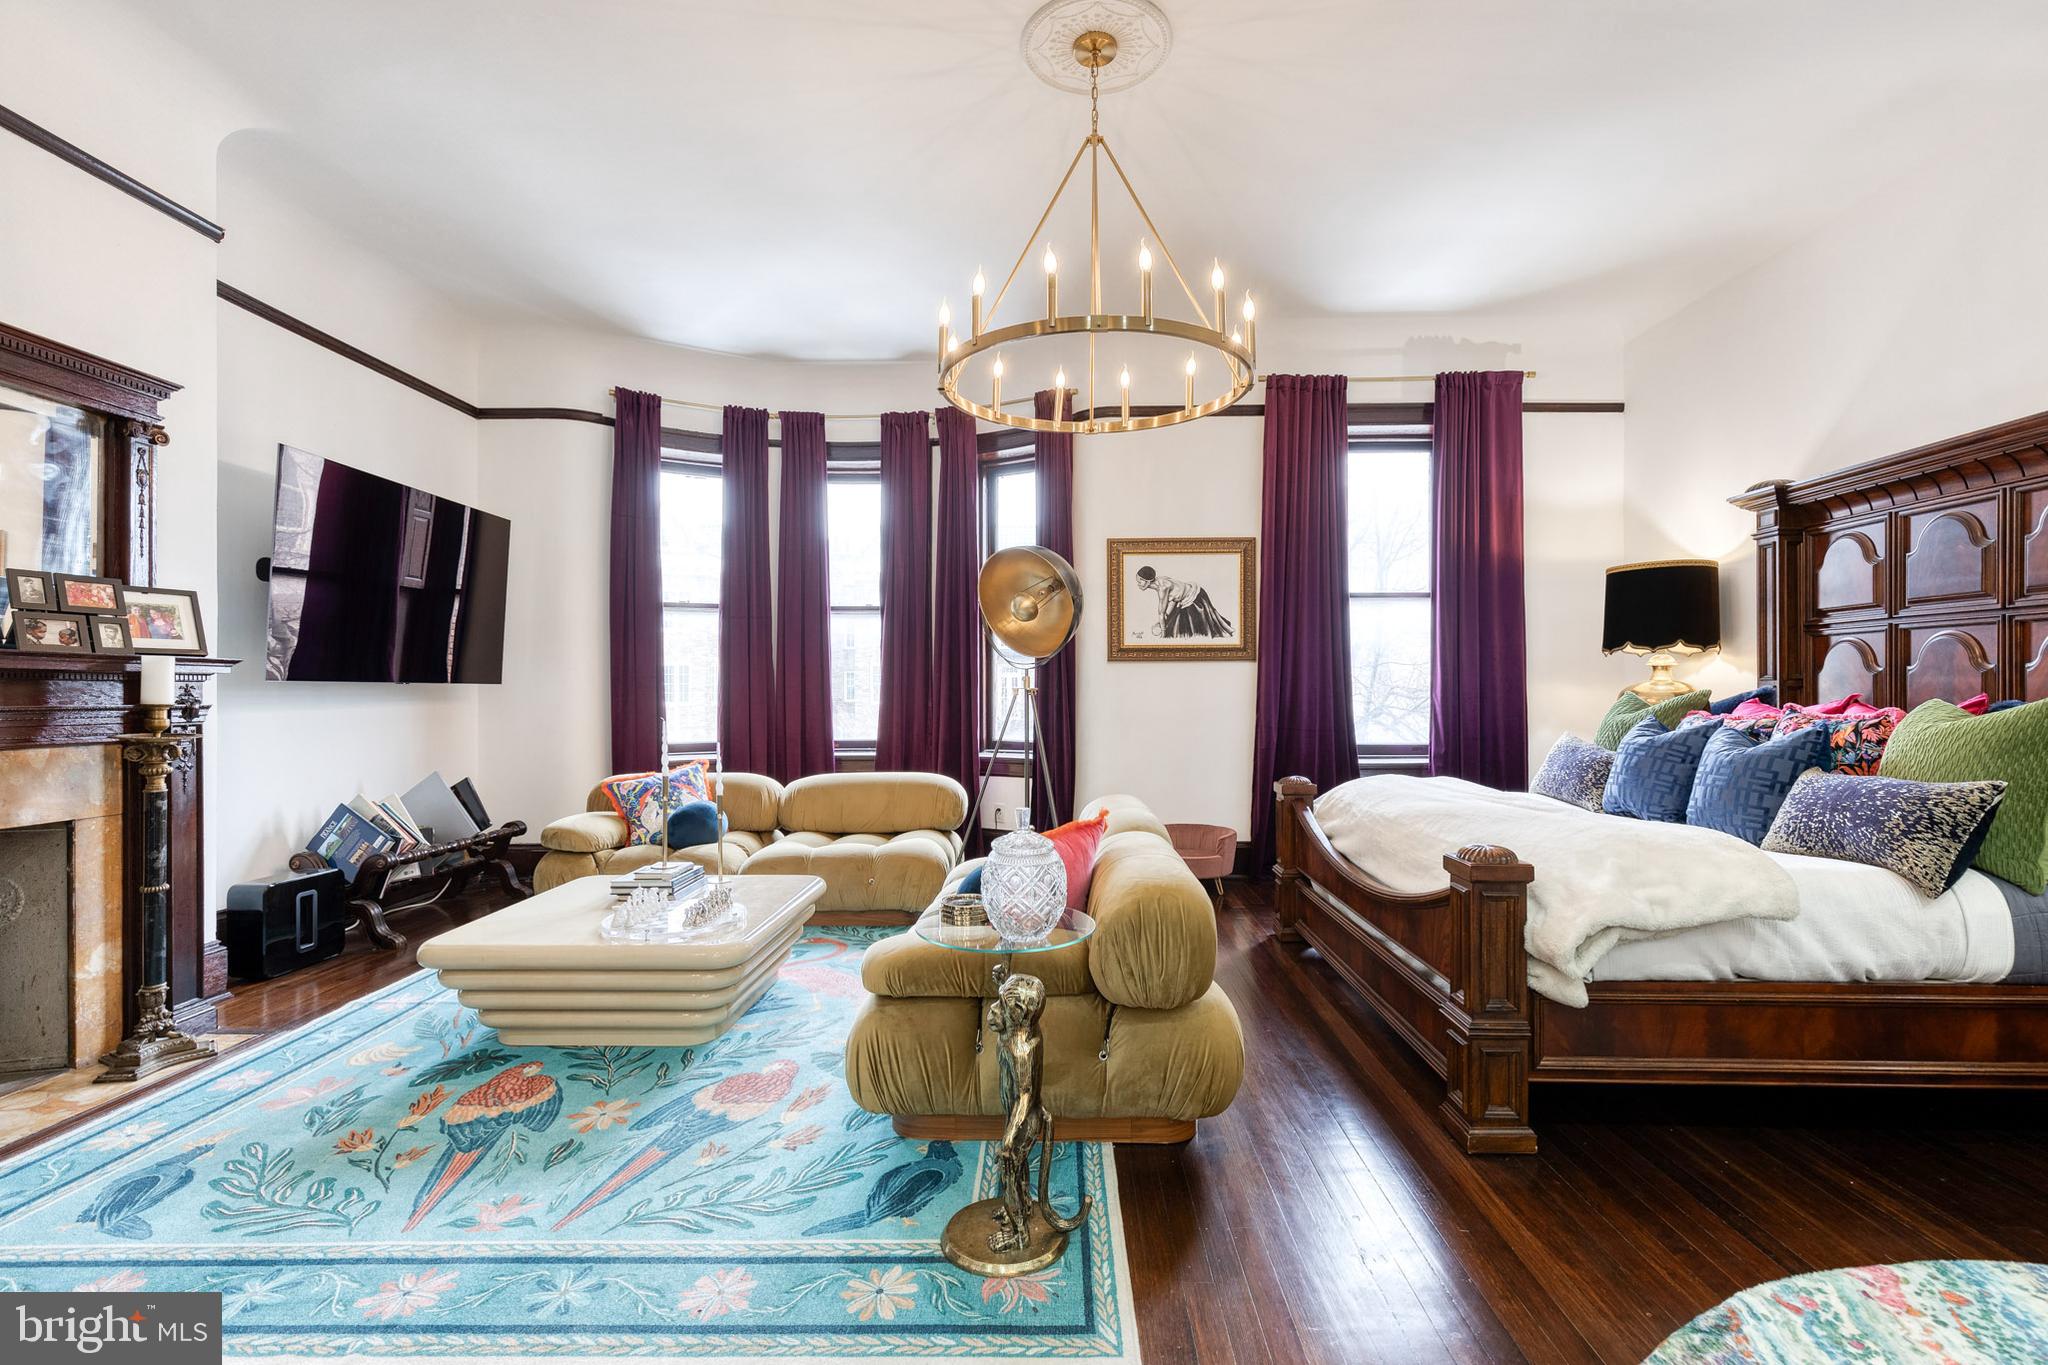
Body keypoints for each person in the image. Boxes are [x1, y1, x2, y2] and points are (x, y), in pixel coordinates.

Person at [1135, 564, 1234, 639]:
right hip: (1184, 600)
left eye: (1140, 581)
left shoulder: (1163, 588)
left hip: (1196, 598)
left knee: (1199, 631)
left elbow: (1161, 613)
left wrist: (1163, 633)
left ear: (1148, 582)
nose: (1138, 583)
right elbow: (1173, 598)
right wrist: (1166, 617)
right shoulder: (1160, 581)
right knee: (1176, 628)